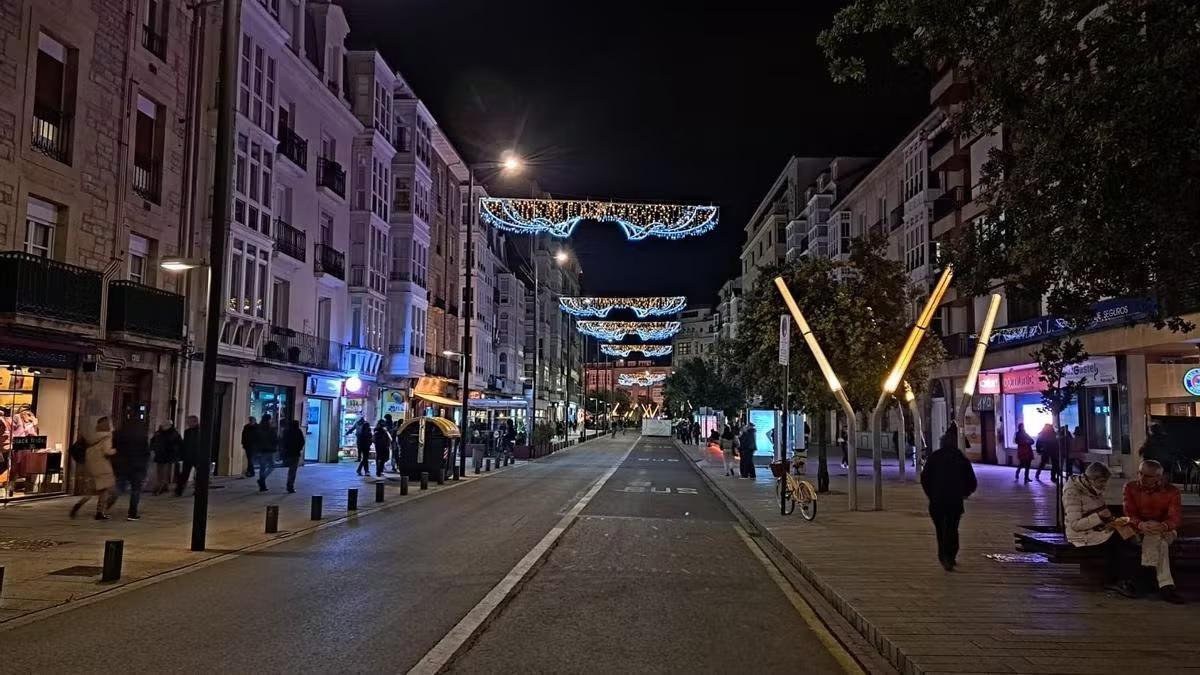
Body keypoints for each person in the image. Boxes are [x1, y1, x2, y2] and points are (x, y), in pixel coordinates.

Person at [1063, 462, 1138, 597]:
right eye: (1102, 482)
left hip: (1096, 530)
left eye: (1105, 482)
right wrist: (1098, 517)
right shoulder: (1072, 492)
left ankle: (1128, 579)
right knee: (1118, 541)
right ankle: (1118, 581)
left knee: (1127, 534)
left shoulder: (1093, 489)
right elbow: (1075, 525)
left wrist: (1110, 520)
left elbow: (1101, 511)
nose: (1104, 485)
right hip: (1080, 536)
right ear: (1091, 479)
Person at [1123, 459, 1184, 604]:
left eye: (1147, 476)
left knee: (1157, 537)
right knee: (1160, 544)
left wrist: (1162, 526)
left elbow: (1174, 518)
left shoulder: (1172, 492)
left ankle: (1144, 576)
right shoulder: (1130, 487)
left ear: (1158, 477)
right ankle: (1166, 586)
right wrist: (1141, 524)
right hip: (1139, 530)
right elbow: (1128, 513)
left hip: (1166, 530)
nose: (1141, 478)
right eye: (1140, 473)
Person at [920, 430, 977, 571]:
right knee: (952, 528)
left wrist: (931, 494)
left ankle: (943, 555)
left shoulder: (934, 457)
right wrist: (964, 493)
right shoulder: (961, 459)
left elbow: (925, 478)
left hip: (937, 501)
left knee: (941, 529)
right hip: (954, 501)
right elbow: (972, 482)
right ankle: (950, 556)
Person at [70, 417, 116, 520]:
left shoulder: (91, 437)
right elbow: (107, 451)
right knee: (106, 490)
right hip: (103, 466)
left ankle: (79, 504)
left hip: (91, 465)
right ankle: (100, 512)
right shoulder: (107, 436)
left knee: (92, 490)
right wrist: (116, 451)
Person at [112, 419, 151, 521]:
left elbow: (114, 449)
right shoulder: (141, 436)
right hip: (137, 467)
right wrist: (144, 468)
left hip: (123, 465)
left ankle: (112, 498)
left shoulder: (118, 434)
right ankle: (132, 513)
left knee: (120, 486)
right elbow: (146, 453)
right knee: (136, 490)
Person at [150, 420, 182, 495]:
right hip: (160, 455)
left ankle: (160, 487)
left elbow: (178, 444)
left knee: (164, 472)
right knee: (160, 472)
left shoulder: (173, 433)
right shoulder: (159, 433)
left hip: (168, 456)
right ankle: (163, 486)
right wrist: (153, 449)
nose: (164, 426)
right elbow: (153, 441)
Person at [174, 415, 200, 497]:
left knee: (198, 475)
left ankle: (198, 490)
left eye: (189, 422)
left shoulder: (200, 432)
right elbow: (184, 444)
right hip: (188, 456)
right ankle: (179, 490)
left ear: (195, 422)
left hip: (197, 456)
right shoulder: (187, 432)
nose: (187, 423)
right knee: (184, 474)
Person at [280, 419, 305, 493]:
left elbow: (283, 441)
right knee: (292, 470)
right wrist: (299, 449)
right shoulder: (298, 431)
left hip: (288, 453)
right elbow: (302, 441)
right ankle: (290, 485)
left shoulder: (286, 431)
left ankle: (289, 484)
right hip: (295, 453)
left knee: (290, 469)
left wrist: (284, 450)